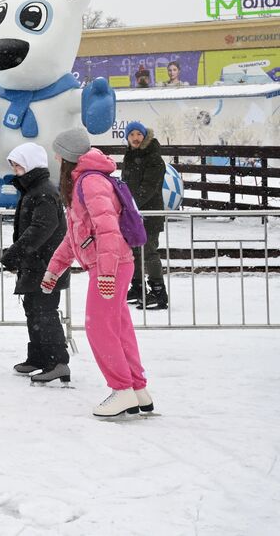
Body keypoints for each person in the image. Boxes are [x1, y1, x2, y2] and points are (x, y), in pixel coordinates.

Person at [41, 129, 153, 419]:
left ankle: (122, 390)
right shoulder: (85, 180)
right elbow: (77, 236)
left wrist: (105, 273)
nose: (55, 157)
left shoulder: (90, 182)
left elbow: (107, 230)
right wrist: (55, 268)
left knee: (99, 328)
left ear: (68, 156)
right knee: (118, 328)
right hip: (114, 264)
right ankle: (137, 389)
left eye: (58, 153)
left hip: (111, 266)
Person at [0, 143, 70, 385]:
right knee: (33, 309)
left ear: (30, 165)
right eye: (13, 165)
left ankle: (57, 362)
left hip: (46, 265)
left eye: (18, 165)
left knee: (45, 312)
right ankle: (39, 356)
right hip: (37, 264)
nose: (15, 170)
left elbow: (41, 228)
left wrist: (15, 254)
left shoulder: (43, 192)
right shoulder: (34, 190)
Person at [121, 121, 168, 310]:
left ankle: (158, 292)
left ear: (144, 135)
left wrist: (131, 206)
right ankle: (138, 287)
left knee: (149, 252)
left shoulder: (154, 158)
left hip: (150, 213)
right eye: (131, 135)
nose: (135, 138)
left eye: (138, 134)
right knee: (134, 251)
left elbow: (148, 187)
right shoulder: (130, 156)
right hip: (134, 213)